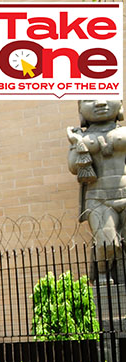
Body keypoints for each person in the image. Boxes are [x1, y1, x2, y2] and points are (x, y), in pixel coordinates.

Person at [66, 99, 126, 280]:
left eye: (108, 95)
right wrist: (78, 144)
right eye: (89, 100)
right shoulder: (80, 137)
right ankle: (103, 278)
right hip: (98, 198)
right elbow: (74, 168)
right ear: (80, 110)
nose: (100, 103)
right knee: (106, 242)